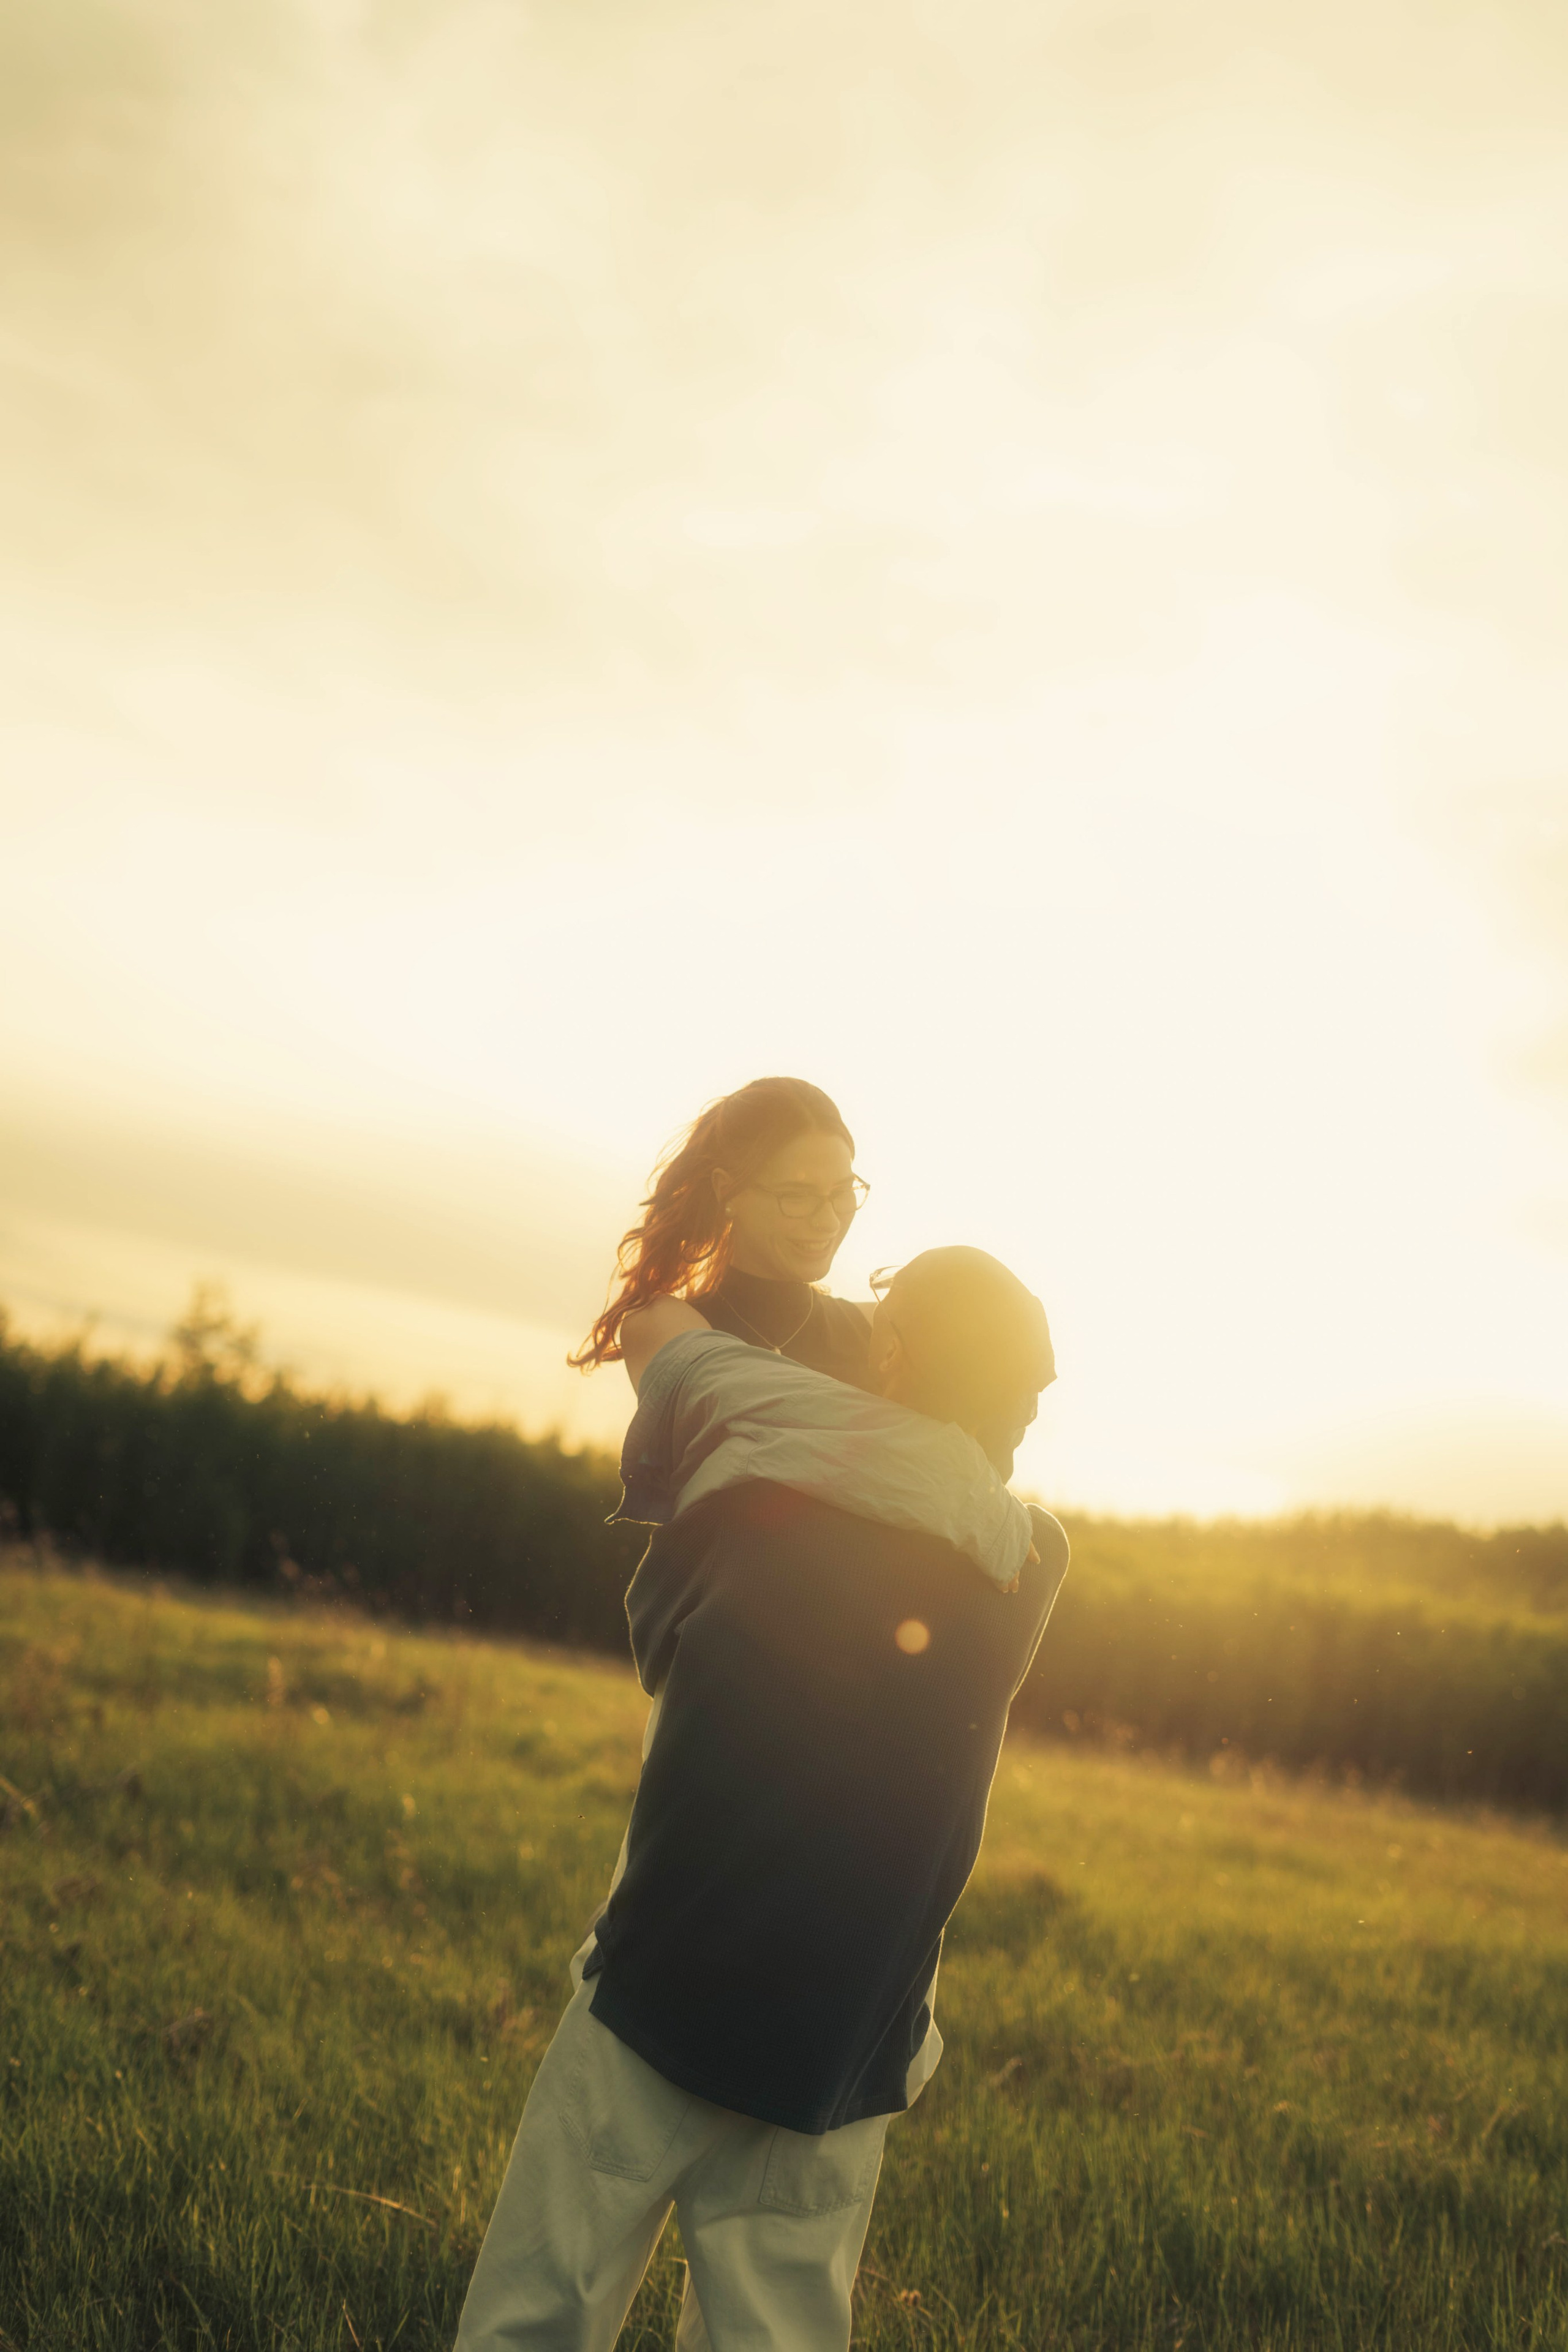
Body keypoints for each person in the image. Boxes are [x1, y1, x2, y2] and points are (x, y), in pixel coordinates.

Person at [456, 1246, 1069, 2352]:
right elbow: (926, 1466)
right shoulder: (1033, 1560)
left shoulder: (757, 1502)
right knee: (772, 2335)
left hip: (669, 1981)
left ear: (888, 1354)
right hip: (848, 2030)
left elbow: (660, 1640)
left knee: (539, 2315)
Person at [569, 1075, 877, 1389]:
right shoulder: (666, 1327)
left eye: (842, 1190)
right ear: (727, 1191)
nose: (829, 1222)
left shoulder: (880, 1330)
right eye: (796, 1196)